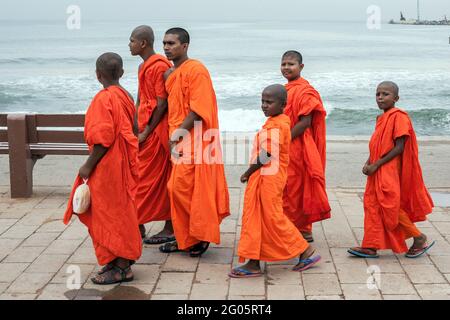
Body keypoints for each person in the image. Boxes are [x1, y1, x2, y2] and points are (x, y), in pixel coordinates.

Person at [64, 52, 142, 284]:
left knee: (107, 214)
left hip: (107, 167)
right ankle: (119, 260)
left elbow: (102, 139)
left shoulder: (103, 99)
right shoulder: (126, 96)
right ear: (122, 72)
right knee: (120, 211)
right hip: (123, 164)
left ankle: (121, 266)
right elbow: (136, 130)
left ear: (98, 75)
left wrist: (88, 165)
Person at [230, 84, 321, 278]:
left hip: (269, 178)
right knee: (259, 218)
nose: (264, 105)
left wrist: (247, 172)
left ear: (283, 105)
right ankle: (254, 262)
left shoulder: (278, 124)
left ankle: (305, 251)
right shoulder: (277, 121)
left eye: (269, 102)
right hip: (265, 177)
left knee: (272, 217)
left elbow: (267, 154)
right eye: (262, 101)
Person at [159, 27, 230, 256]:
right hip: (179, 138)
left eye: (171, 43)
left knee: (185, 188)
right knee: (178, 189)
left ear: (185, 46)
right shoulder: (172, 73)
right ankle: (185, 238)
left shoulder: (196, 70)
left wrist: (177, 134)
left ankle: (199, 236)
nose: (167, 48)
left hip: (194, 137)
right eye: (165, 44)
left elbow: (198, 110)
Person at [348, 81, 435, 258]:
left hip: (389, 169)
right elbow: (377, 146)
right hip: (377, 168)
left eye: (385, 94)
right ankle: (371, 245)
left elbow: (399, 146)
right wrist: (368, 162)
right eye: (378, 94)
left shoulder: (399, 116)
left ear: (396, 98)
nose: (380, 97)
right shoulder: (380, 118)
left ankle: (419, 238)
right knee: (372, 205)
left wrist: (376, 164)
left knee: (389, 206)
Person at [129, 25, 174, 244]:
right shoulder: (142, 67)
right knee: (140, 177)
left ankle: (168, 226)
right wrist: (136, 125)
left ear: (143, 43)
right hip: (144, 127)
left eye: (132, 41)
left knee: (155, 179)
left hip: (157, 130)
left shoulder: (159, 66)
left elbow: (162, 102)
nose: (129, 45)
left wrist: (148, 129)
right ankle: (137, 222)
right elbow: (140, 98)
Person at [281, 50, 331, 242]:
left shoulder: (304, 90)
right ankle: (295, 227)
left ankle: (301, 229)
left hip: (298, 144)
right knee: (288, 187)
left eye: (291, 64)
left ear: (301, 67)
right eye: (284, 64)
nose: (286, 67)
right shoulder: (286, 89)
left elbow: (306, 121)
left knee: (295, 186)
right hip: (288, 143)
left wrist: (284, 139)